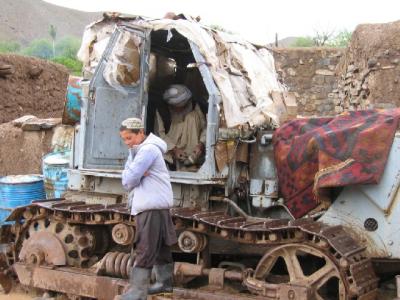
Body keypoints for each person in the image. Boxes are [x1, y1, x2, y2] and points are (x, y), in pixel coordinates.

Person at [117, 117, 177, 300]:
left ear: (141, 133)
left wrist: (133, 173)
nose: (127, 143)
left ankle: (137, 292)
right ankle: (164, 284)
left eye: (130, 138)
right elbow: (131, 174)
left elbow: (127, 181)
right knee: (160, 248)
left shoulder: (147, 150)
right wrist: (133, 172)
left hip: (150, 207)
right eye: (124, 139)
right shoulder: (139, 150)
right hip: (157, 205)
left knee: (145, 248)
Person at [154, 84, 206, 170]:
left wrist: (200, 145)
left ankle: (191, 161)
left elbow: (205, 128)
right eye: (177, 107)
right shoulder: (162, 110)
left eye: (183, 106)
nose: (180, 109)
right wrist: (174, 149)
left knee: (192, 117)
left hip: (193, 148)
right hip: (172, 146)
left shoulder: (194, 106)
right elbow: (159, 135)